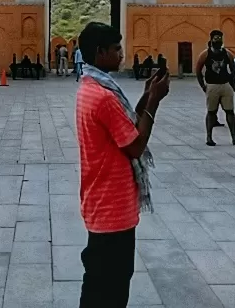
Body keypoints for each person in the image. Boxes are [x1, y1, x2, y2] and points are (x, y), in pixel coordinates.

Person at [75, 21, 170, 308]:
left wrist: (144, 95)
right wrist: (153, 102)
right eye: (116, 49)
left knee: (99, 285)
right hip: (111, 209)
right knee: (111, 288)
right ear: (100, 52)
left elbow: (124, 125)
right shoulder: (103, 97)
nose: (121, 54)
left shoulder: (92, 87)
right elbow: (135, 145)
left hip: (101, 202)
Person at [195, 30, 235, 147]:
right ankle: (209, 137)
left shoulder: (227, 54)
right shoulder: (205, 54)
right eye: (215, 38)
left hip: (225, 85)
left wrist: (231, 84)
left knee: (229, 112)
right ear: (211, 39)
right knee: (211, 112)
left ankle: (234, 137)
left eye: (219, 38)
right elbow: (198, 70)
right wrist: (203, 85)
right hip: (212, 85)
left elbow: (233, 69)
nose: (218, 41)